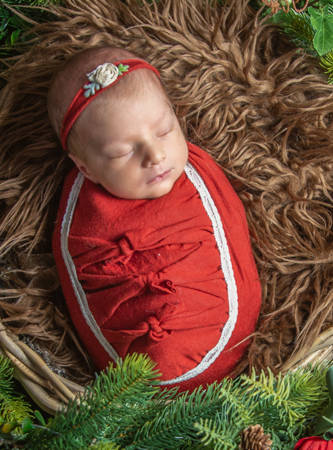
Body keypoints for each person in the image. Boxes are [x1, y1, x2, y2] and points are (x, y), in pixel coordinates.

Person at [48, 46, 261, 390]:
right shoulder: (84, 215)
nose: (156, 155)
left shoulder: (195, 172)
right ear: (85, 167)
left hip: (225, 346)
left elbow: (234, 229)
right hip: (139, 378)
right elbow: (85, 275)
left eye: (164, 131)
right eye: (123, 152)